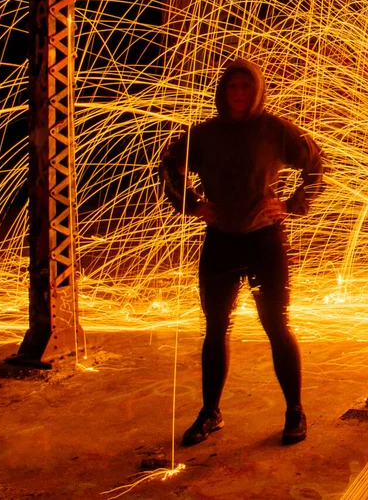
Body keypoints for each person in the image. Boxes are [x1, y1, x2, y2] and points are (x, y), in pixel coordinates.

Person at [159, 58, 325, 446]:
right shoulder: (205, 135)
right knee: (215, 329)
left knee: (277, 327)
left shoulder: (275, 131)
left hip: (265, 241)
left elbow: (315, 163)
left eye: (245, 87)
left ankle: (295, 411)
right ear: (223, 91)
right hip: (221, 242)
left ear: (257, 90)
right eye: (232, 87)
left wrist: (292, 204)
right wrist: (191, 203)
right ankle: (210, 413)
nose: (238, 94)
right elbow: (169, 165)